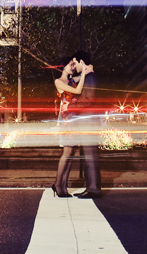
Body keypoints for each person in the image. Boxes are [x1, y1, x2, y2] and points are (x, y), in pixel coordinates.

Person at [51, 53, 93, 197]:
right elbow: (78, 91)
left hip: (73, 118)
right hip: (66, 119)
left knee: (71, 152)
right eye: (71, 64)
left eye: (74, 64)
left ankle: (63, 185)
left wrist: (88, 70)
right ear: (63, 66)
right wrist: (83, 76)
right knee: (67, 152)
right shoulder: (59, 81)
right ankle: (58, 184)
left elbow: (83, 77)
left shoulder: (71, 80)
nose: (74, 67)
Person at [69, 49, 102, 199]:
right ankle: (91, 187)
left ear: (82, 62)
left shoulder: (90, 77)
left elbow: (89, 100)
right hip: (86, 121)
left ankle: (94, 189)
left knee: (90, 156)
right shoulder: (86, 76)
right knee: (88, 156)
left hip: (89, 122)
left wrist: (70, 108)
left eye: (75, 63)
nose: (74, 66)